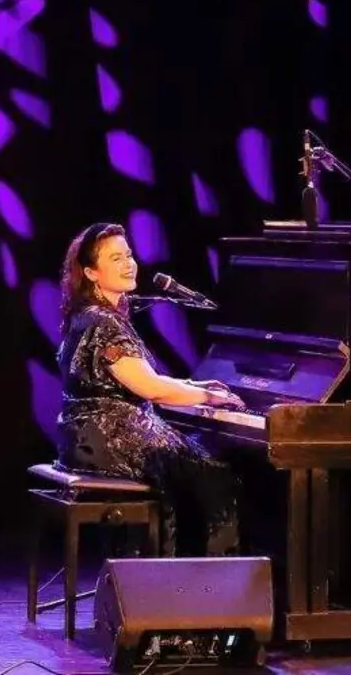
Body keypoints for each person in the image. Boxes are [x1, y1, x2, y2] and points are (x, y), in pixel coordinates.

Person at [55, 222, 242, 557]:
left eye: (128, 254)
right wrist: (210, 397)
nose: (129, 263)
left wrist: (193, 385)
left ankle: (177, 571)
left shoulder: (88, 316)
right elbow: (150, 388)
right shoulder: (104, 323)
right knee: (215, 472)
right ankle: (213, 582)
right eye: (116, 258)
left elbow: (140, 379)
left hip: (84, 438)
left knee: (197, 459)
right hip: (110, 439)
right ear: (91, 273)